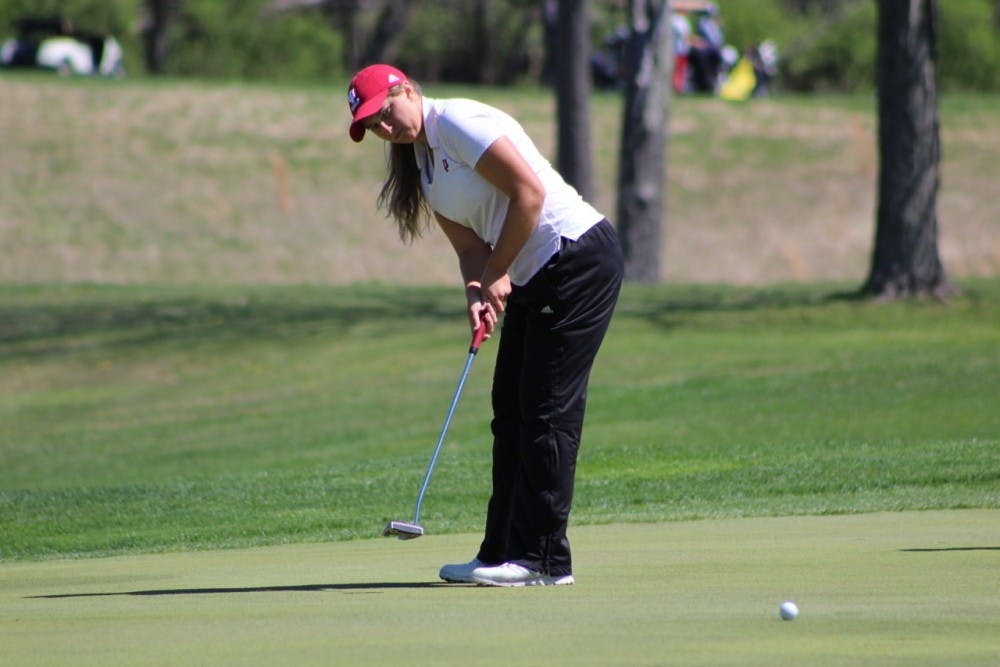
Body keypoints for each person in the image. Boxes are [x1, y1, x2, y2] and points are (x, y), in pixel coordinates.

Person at [346, 64, 624, 587]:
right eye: (374, 127)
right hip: (534, 271)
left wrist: (498, 273)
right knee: (511, 413)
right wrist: (478, 291)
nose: (386, 129)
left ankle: (543, 562)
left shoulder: (457, 122)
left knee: (545, 411)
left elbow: (529, 194)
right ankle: (500, 551)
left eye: (386, 113)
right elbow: (471, 248)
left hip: (576, 258)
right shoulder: (423, 169)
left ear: (406, 90)